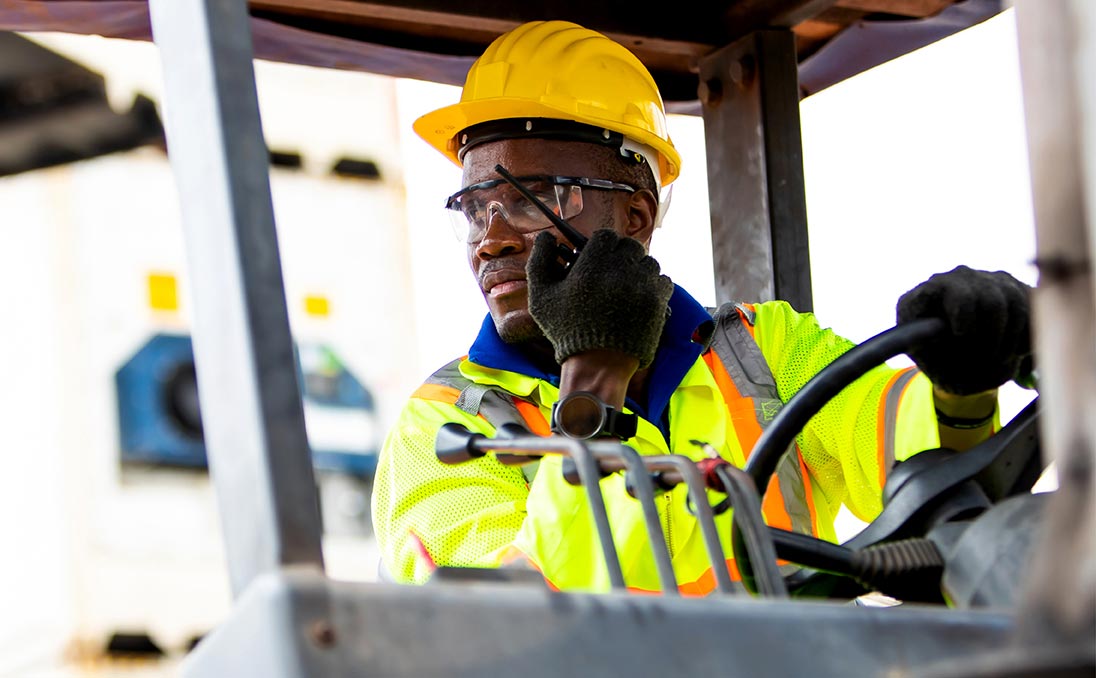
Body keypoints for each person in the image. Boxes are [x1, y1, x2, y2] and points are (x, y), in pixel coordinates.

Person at [371, 20, 1031, 593]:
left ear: (635, 215)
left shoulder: (760, 353)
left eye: (531, 195)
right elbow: (513, 635)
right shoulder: (442, 432)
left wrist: (961, 379)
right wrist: (593, 387)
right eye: (475, 206)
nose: (491, 237)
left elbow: (914, 456)